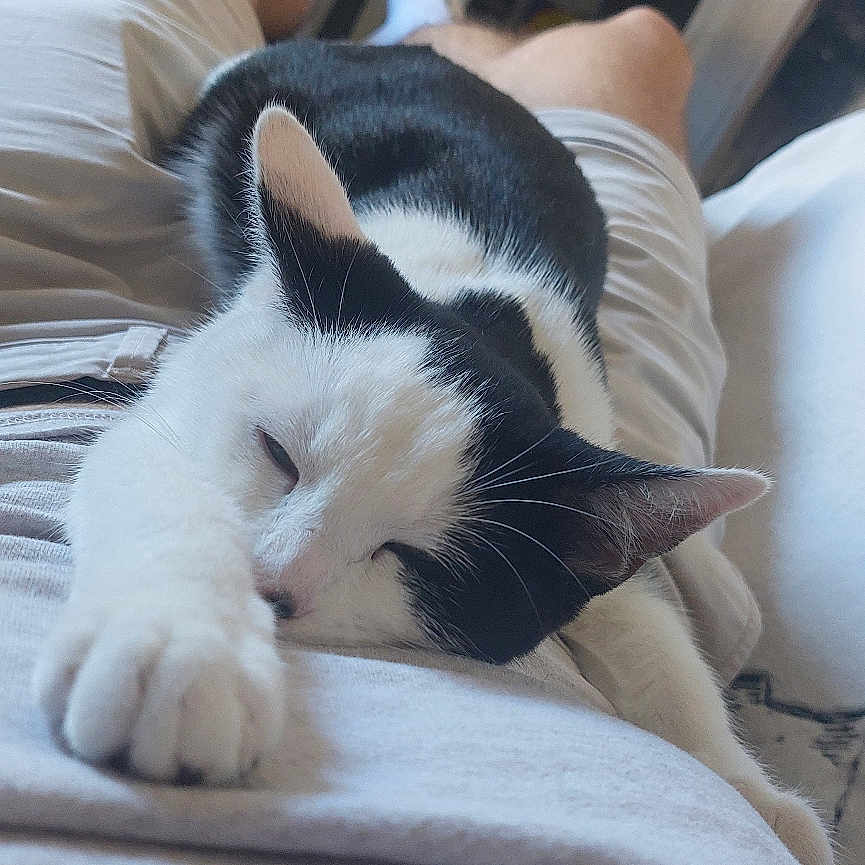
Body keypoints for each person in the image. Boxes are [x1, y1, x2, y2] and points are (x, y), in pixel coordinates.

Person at [2, 1, 852, 862]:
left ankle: (446, 31)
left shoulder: (535, 479)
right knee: (629, 54)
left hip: (500, 241)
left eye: (398, 558)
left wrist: (718, 769)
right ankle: (409, 29)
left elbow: (612, 606)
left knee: (638, 45)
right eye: (276, 457)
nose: (278, 576)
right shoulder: (321, 325)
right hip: (359, 131)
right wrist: (176, 593)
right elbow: (154, 432)